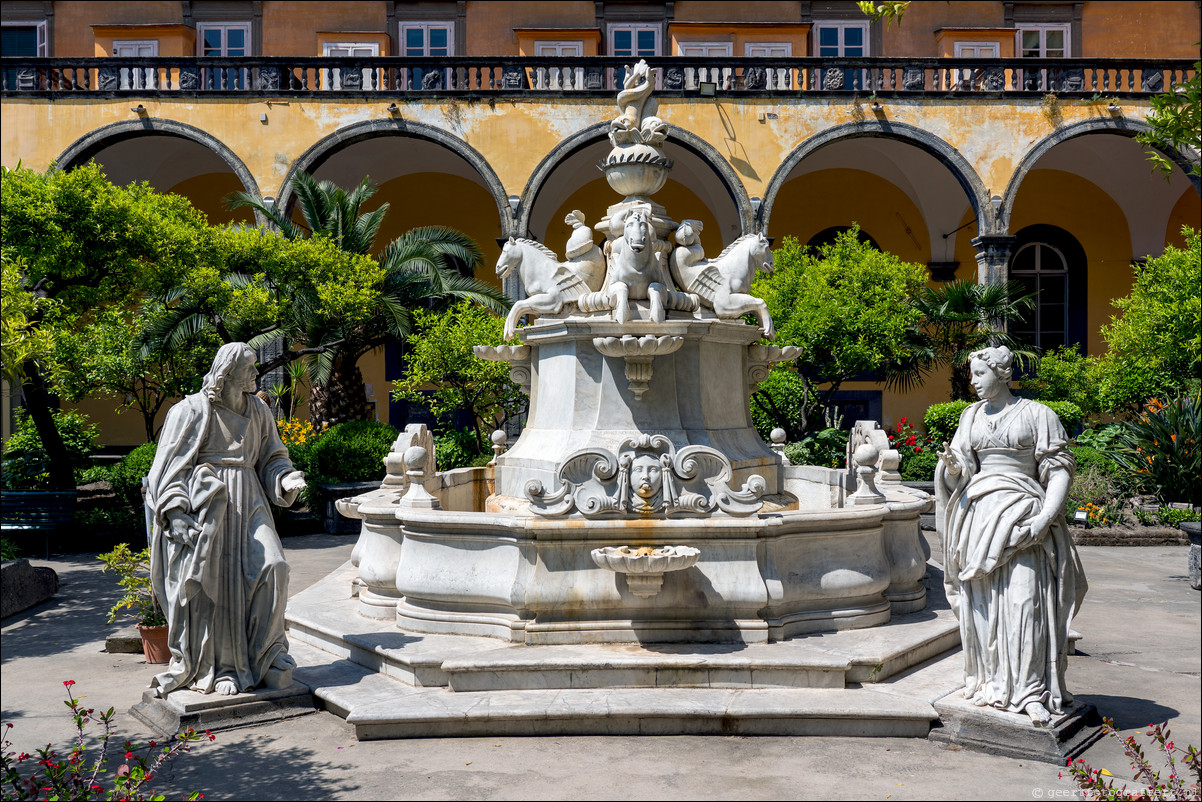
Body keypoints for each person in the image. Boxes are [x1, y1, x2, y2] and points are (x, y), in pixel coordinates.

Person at [935, 345, 1087, 726]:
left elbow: (1058, 471)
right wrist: (953, 468)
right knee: (984, 609)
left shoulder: (1038, 414)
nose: (971, 382)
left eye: (978, 374)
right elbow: (962, 471)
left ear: (1001, 374)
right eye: (970, 374)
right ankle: (992, 682)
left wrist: (1045, 518)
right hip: (978, 521)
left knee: (1025, 604)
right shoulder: (969, 416)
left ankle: (1032, 690)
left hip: (1023, 520)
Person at [144, 342, 306, 697]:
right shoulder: (191, 411)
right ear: (228, 372)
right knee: (213, 587)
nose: (255, 373)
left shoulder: (259, 411)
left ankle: (267, 655)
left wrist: (284, 478)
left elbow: (273, 457)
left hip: (249, 499)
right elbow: (167, 469)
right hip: (209, 505)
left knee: (274, 568)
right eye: (249, 367)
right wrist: (175, 512)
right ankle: (219, 668)